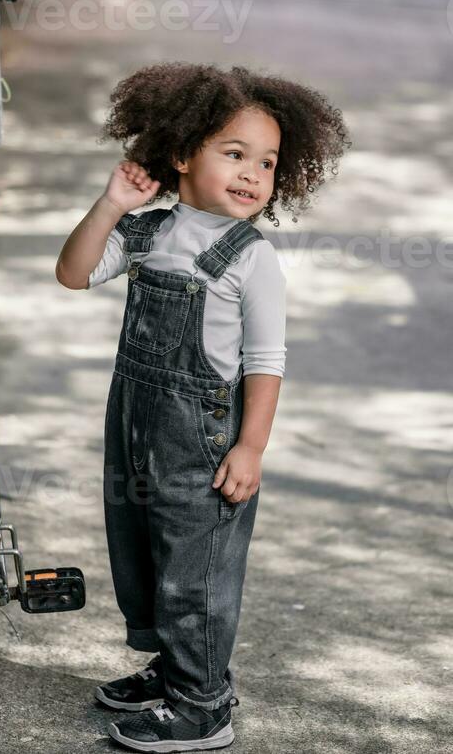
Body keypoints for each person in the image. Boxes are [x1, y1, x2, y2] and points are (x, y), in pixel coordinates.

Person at [56, 62, 351, 752]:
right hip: (136, 432)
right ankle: (174, 670)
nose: (253, 174)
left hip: (206, 446)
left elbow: (265, 363)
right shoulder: (149, 232)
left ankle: (204, 704)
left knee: (197, 576)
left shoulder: (251, 260)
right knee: (146, 560)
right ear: (184, 154)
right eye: (235, 153)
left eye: (268, 163)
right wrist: (110, 206)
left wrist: (251, 447)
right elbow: (72, 273)